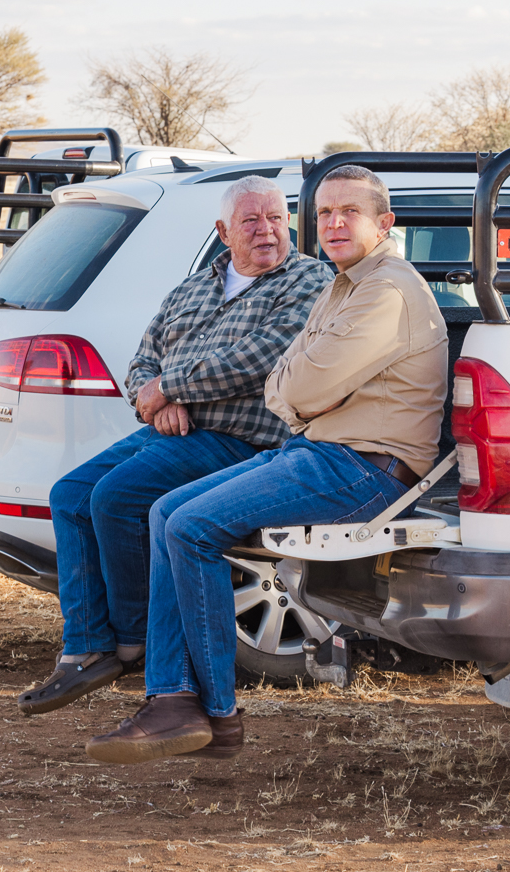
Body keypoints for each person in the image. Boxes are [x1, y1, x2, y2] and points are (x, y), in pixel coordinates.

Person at [85, 164, 448, 763]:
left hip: (364, 467)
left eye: (349, 212)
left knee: (190, 527)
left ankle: (213, 714)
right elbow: (292, 377)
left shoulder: (384, 291)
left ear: (384, 223)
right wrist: (294, 386)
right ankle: (174, 701)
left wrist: (293, 387)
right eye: (323, 212)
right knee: (167, 511)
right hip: (319, 450)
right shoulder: (343, 283)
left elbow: (292, 389)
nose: (332, 223)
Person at [17, 176, 334, 717]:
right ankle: (87, 645)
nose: (268, 231)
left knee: (115, 497)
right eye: (251, 221)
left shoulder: (307, 279)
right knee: (69, 493)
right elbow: (142, 360)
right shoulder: (192, 287)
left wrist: (170, 387)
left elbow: (261, 357)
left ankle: (131, 639)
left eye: (277, 219)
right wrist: (156, 398)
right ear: (223, 231)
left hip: (241, 437)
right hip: (172, 428)